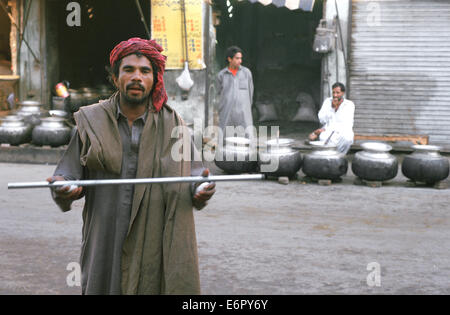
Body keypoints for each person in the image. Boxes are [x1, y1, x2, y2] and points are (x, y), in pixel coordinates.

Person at [46, 38, 216, 295]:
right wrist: (63, 186)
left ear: (155, 79)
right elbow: (67, 173)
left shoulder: (174, 125)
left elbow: (193, 176)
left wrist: (200, 188)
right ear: (115, 78)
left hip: (155, 240)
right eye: (128, 70)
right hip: (106, 239)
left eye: (145, 71)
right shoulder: (91, 121)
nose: (137, 77)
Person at [216, 46, 254, 139]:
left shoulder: (246, 73)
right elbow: (217, 94)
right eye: (237, 58)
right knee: (226, 138)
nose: (240, 61)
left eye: (241, 58)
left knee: (246, 137)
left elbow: (250, 92)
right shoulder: (221, 75)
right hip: (226, 112)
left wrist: (247, 107)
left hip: (244, 113)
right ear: (230, 59)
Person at [308, 82, 355, 154]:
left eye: (338, 93)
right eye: (333, 92)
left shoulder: (349, 104)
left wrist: (337, 107)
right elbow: (322, 120)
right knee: (323, 138)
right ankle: (329, 156)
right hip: (328, 129)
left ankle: (339, 156)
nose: (335, 95)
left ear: (343, 93)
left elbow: (347, 123)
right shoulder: (327, 102)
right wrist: (332, 108)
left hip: (343, 131)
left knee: (347, 139)